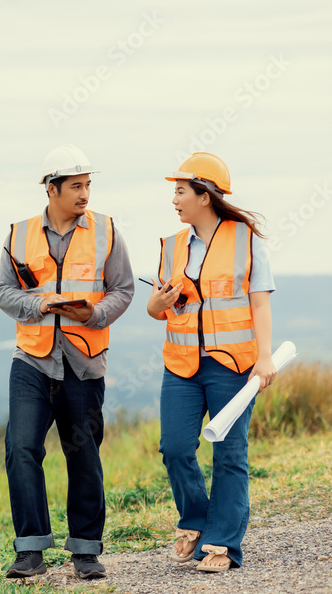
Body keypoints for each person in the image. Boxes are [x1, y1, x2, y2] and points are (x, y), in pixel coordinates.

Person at [0, 145, 134, 580]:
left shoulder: (106, 231)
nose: (85, 194)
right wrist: (44, 305)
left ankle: (86, 551)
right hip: (32, 360)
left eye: (88, 185)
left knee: (84, 454)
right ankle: (31, 550)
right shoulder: (18, 234)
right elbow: (4, 292)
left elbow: (124, 290)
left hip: (84, 361)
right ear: (51, 189)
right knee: (21, 449)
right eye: (76, 186)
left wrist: (92, 314)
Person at [147, 152, 276, 573]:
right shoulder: (171, 245)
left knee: (229, 453)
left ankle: (221, 544)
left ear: (204, 195)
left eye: (180, 192)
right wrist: (159, 302)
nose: (174, 200)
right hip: (181, 365)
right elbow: (156, 308)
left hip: (234, 365)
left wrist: (265, 356)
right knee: (175, 448)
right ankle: (197, 521)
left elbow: (260, 303)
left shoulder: (246, 239)